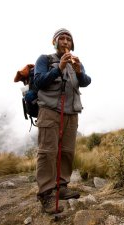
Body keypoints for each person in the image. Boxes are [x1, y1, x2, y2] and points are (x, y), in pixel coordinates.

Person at [33, 28, 91, 214]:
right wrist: (58, 69)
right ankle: (46, 193)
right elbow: (39, 81)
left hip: (71, 113)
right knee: (48, 152)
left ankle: (62, 186)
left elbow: (86, 82)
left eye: (68, 39)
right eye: (62, 39)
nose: (65, 42)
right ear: (55, 42)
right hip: (49, 111)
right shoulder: (45, 59)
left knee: (67, 151)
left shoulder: (75, 62)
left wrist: (79, 71)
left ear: (72, 44)